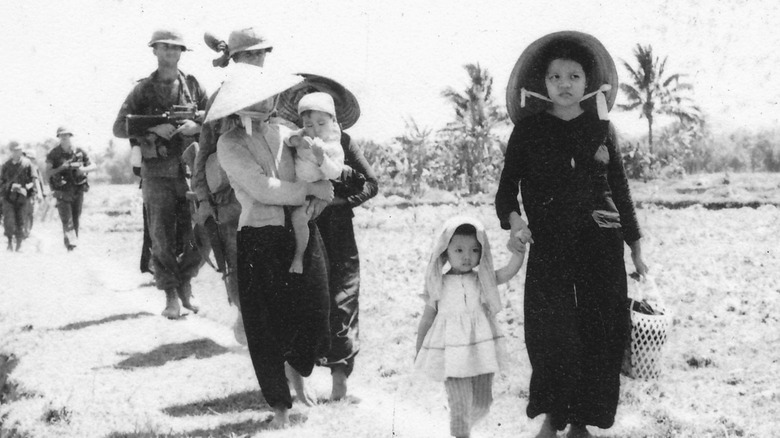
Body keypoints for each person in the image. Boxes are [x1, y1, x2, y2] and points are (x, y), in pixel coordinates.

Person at [496, 31, 649, 438]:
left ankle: (582, 420)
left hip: (601, 240)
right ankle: (553, 415)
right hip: (550, 244)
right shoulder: (528, 132)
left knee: (602, 330)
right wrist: (516, 223)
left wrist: (636, 248)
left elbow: (620, 190)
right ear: (543, 84)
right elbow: (505, 193)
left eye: (574, 76)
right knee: (551, 331)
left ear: (587, 82)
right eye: (556, 76)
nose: (565, 84)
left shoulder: (603, 129)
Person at [210, 63, 334, 428]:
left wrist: (322, 186)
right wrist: (309, 190)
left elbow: (313, 163)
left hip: (300, 231)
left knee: (316, 310)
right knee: (266, 326)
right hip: (261, 237)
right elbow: (262, 188)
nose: (269, 102)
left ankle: (298, 371)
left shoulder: (284, 131)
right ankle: (280, 405)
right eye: (259, 97)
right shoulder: (229, 143)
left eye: (270, 95)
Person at [276, 75, 376, 400]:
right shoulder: (290, 144)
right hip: (305, 230)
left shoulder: (344, 143)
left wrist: (336, 201)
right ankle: (297, 375)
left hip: (339, 232)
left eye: (322, 118)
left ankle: (339, 379)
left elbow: (370, 184)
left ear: (333, 117)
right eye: (308, 118)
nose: (314, 125)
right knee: (306, 303)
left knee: (343, 301)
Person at [112, 28, 209, 319]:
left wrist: (197, 126)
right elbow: (119, 127)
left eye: (176, 48)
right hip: (156, 172)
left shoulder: (192, 86)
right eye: (165, 47)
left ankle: (187, 284)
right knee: (161, 236)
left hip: (191, 172)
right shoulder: (142, 90)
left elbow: (213, 120)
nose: (170, 52)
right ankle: (170, 295)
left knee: (201, 232)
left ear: (181, 53)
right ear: (155, 51)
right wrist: (152, 127)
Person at [192, 26, 274, 345]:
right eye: (249, 55)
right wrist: (201, 199)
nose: (256, 61)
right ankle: (245, 317)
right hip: (231, 203)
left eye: (260, 54)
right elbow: (204, 153)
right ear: (236, 59)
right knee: (239, 267)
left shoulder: (274, 93)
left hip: (269, 192)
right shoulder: (220, 98)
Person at [414, 216, 524, 438]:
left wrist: (519, 253)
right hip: (453, 355)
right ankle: (460, 431)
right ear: (445, 252)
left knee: (483, 404)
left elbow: (508, 272)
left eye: (474, 250)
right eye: (459, 250)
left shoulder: (483, 280)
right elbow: (426, 319)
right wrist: (419, 351)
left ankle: (463, 424)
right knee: (460, 403)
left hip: (481, 353)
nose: (467, 256)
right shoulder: (438, 284)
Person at [285, 91, 344, 274]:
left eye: (321, 123)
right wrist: (298, 140)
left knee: (299, 218)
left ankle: (298, 257)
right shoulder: (304, 135)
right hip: (295, 185)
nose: (315, 130)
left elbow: (335, 172)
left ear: (333, 121)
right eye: (309, 125)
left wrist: (321, 158)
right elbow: (287, 138)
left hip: (314, 193)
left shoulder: (334, 146)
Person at [44, 126, 96, 251]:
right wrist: (62, 167)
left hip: (78, 188)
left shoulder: (79, 151)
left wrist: (82, 170)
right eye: (62, 135)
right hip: (62, 190)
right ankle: (71, 246)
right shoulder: (53, 153)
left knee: (76, 217)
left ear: (70, 136)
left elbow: (93, 165)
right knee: (67, 219)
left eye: (66, 135)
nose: (64, 137)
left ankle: (72, 243)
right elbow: (48, 173)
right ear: (58, 137)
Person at [1, 141, 37, 251]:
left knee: (21, 220)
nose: (18, 152)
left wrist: (25, 187)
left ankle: (19, 244)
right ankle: (10, 242)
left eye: (20, 150)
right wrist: (10, 186)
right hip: (9, 197)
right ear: (11, 151)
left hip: (23, 197)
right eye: (15, 150)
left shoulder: (27, 164)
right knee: (9, 221)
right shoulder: (5, 165)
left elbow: (33, 180)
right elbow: (1, 181)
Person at [24, 149, 46, 229]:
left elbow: (39, 182)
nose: (29, 160)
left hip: (31, 194)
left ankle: (27, 230)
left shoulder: (35, 169)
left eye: (31, 158)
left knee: (29, 212)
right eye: (27, 158)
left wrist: (41, 194)